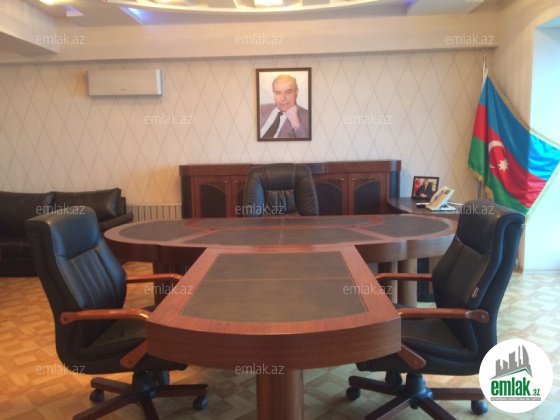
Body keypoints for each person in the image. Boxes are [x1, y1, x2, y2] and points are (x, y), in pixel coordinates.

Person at [260, 74, 309, 139]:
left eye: (288, 92)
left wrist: (296, 123)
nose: (283, 98)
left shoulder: (307, 117)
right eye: (278, 93)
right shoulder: (260, 109)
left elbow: (308, 143)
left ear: (296, 92)